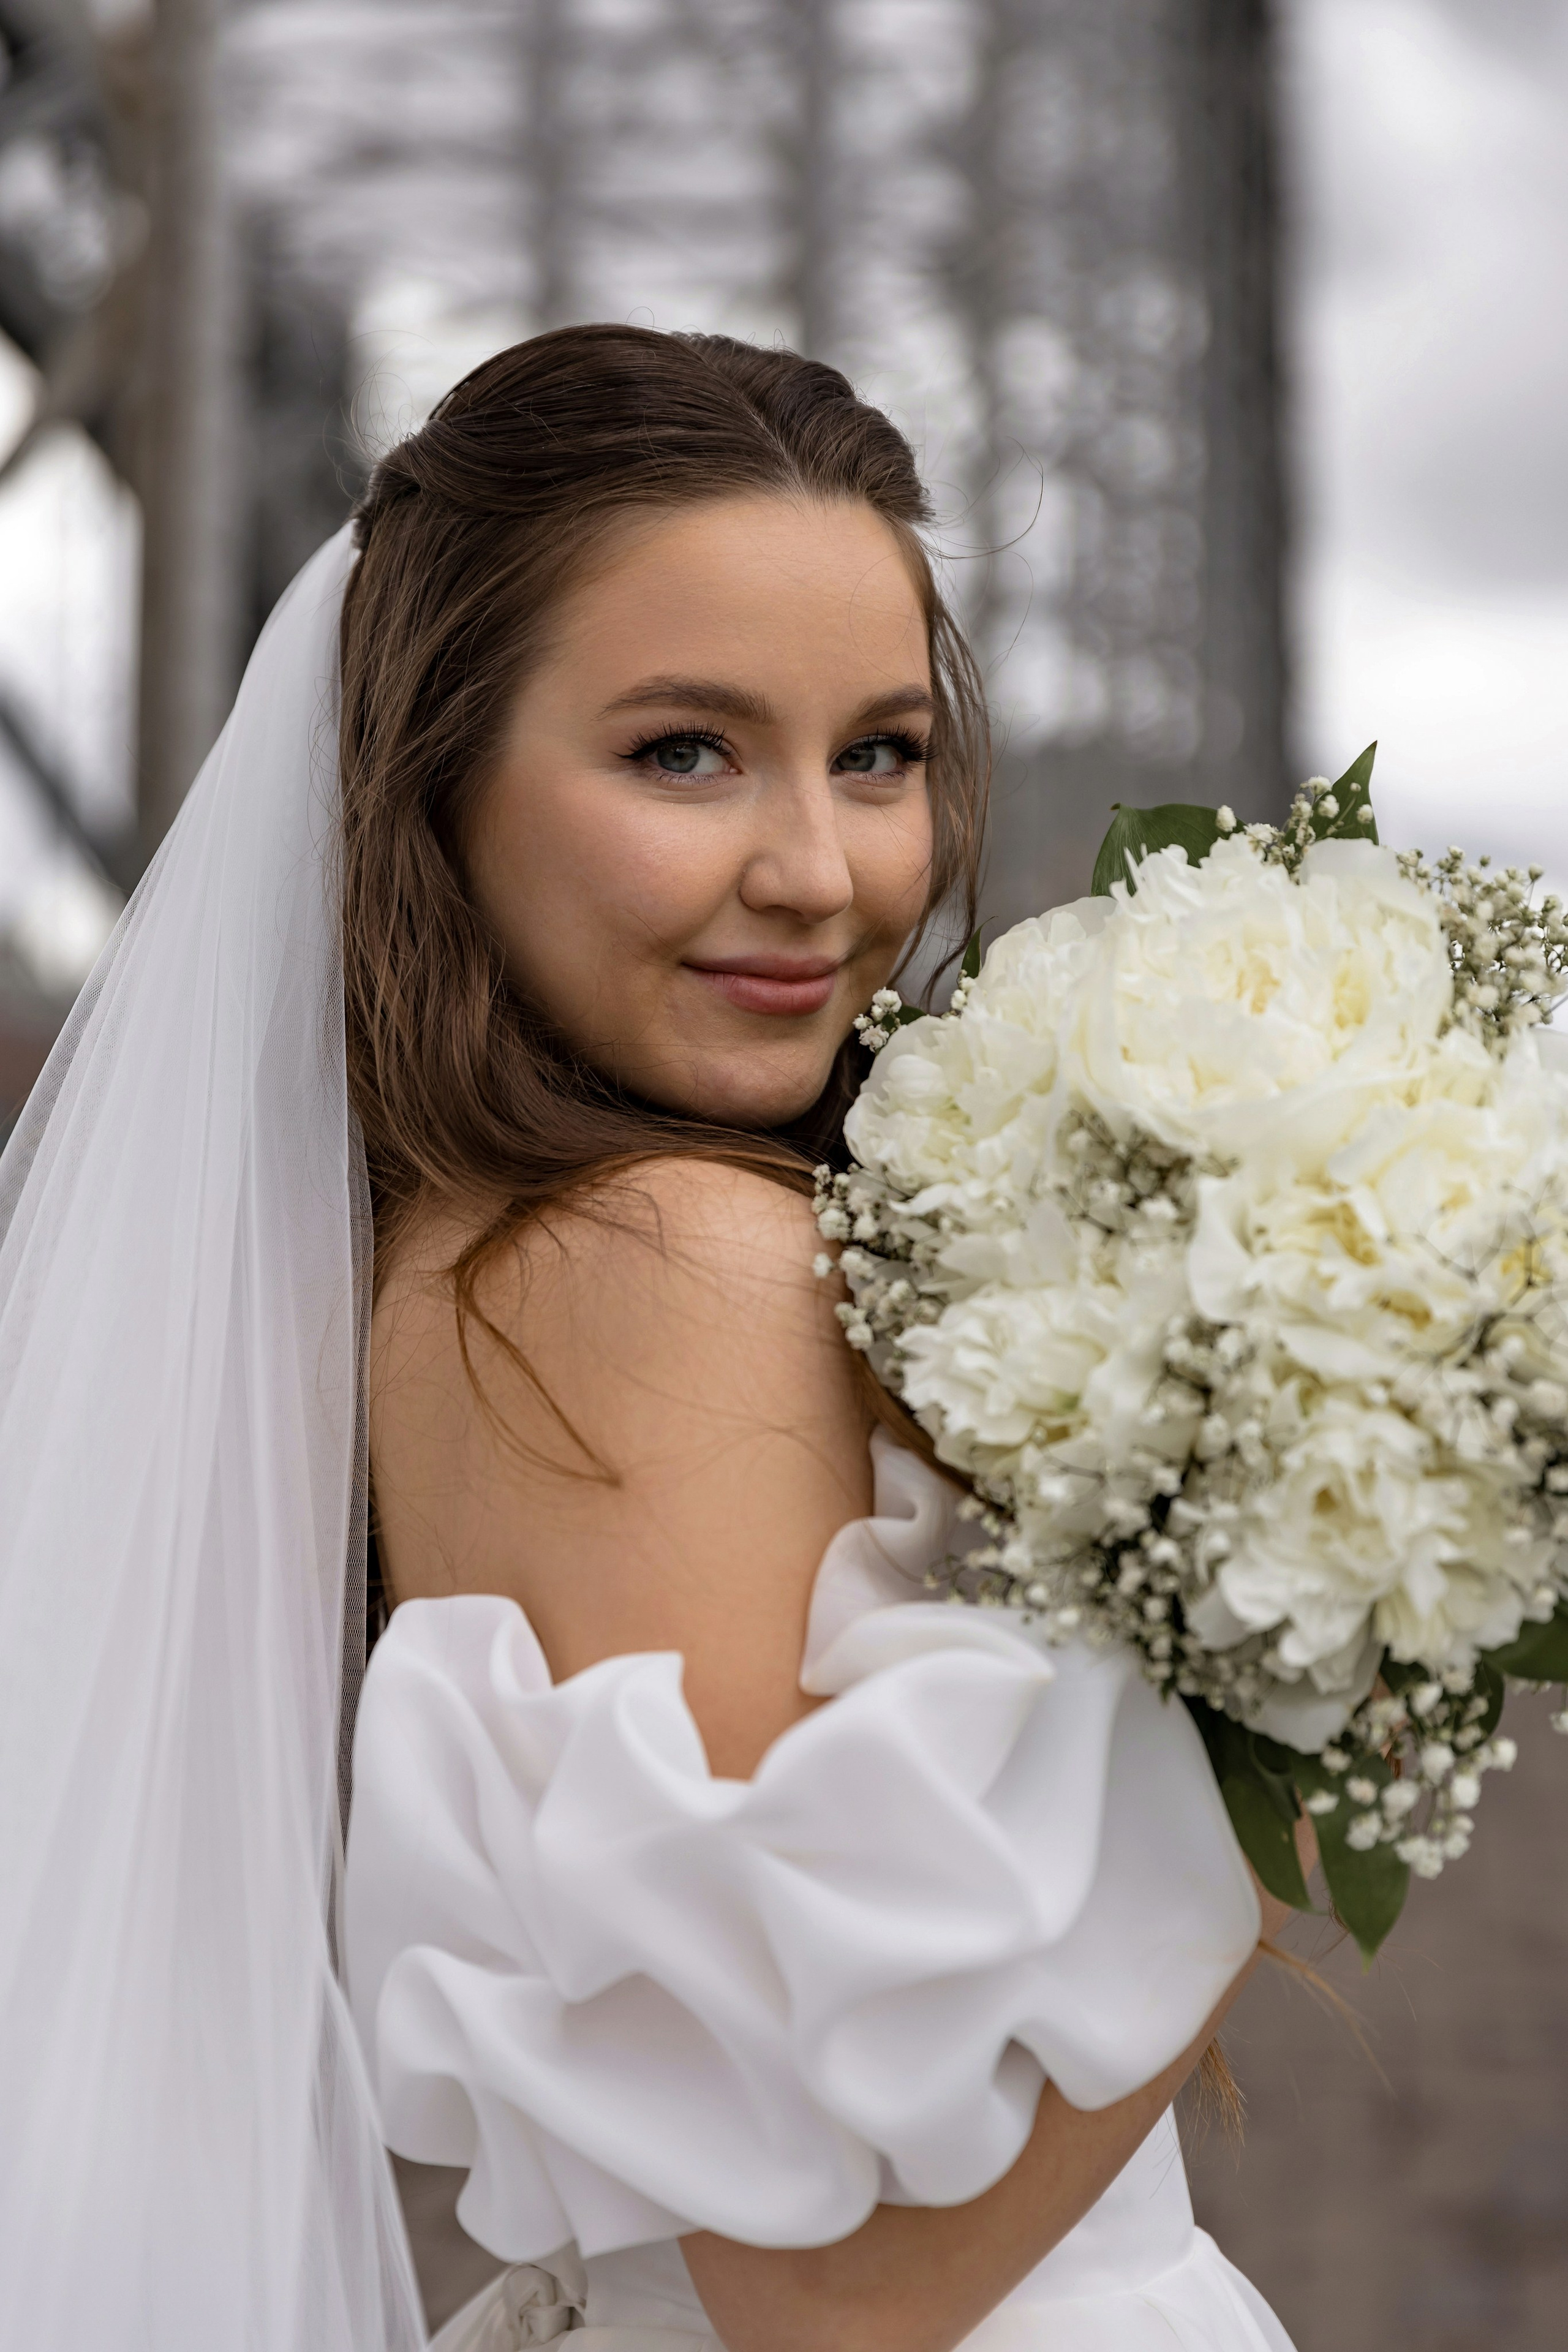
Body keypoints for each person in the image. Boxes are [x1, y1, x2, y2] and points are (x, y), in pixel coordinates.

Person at [0, 326, 1296, 2352]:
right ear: (431, 784)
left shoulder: (475, 1245)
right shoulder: (659, 1259)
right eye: (683, 753)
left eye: (878, 754)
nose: (819, 875)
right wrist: (1298, 1687)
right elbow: (827, 2289)